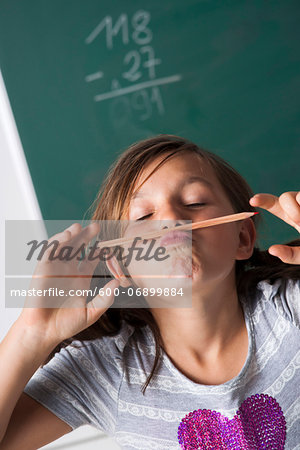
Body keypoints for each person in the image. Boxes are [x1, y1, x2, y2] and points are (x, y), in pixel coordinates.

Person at [0, 135, 299, 449]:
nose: (171, 221)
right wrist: (32, 332)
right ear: (119, 264)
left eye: (195, 202)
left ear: (242, 237)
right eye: (143, 216)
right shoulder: (104, 370)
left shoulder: (292, 309)